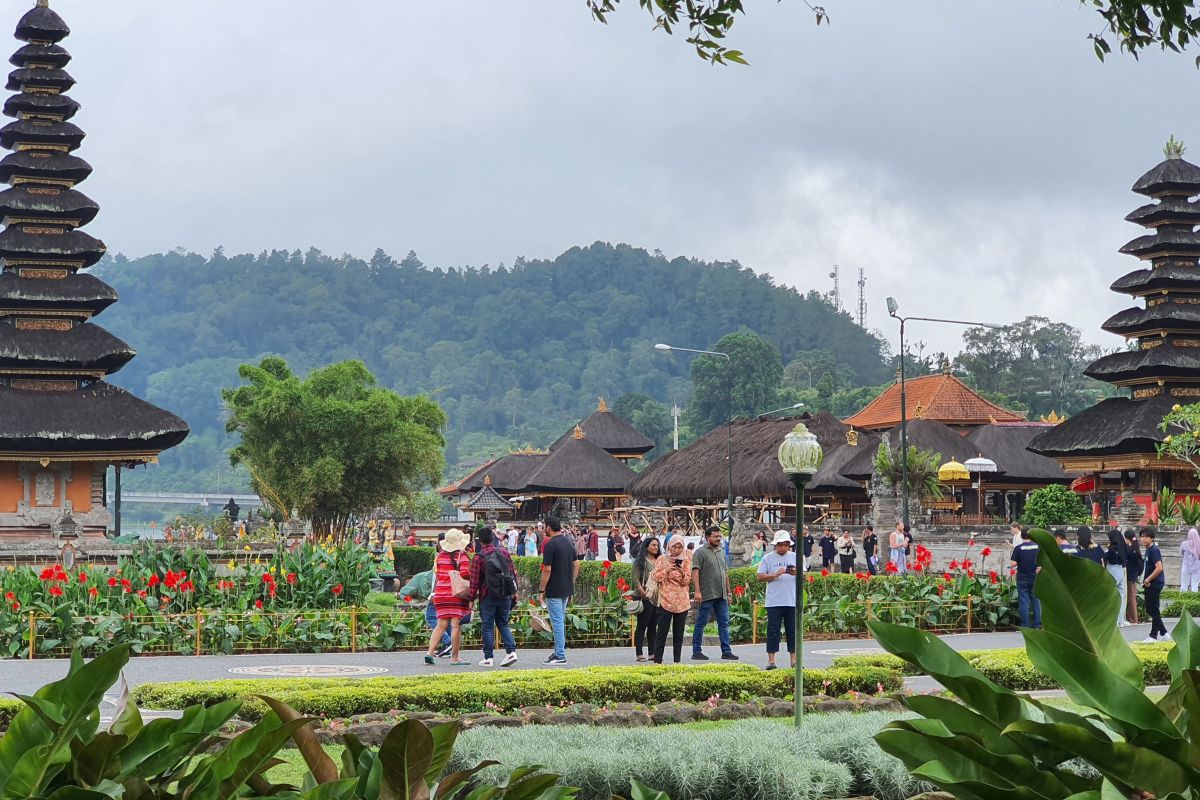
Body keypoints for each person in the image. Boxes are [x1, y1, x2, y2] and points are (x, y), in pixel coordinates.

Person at [469, 527, 519, 667]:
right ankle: (511, 652)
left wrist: (471, 599)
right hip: (505, 593)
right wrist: (515, 591)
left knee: (487, 626)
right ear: (493, 538)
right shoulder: (503, 552)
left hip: (487, 595)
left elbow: (474, 581)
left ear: (480, 541)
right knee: (503, 623)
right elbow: (512, 573)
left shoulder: (479, 557)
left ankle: (488, 657)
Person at [423, 528, 473, 666]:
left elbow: (438, 575)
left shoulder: (439, 557)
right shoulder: (461, 556)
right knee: (455, 625)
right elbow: (464, 573)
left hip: (440, 593)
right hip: (455, 594)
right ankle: (455, 657)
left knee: (441, 624)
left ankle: (429, 653)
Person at [691, 525, 738, 661]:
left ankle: (726, 650)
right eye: (715, 536)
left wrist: (729, 592)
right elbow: (695, 572)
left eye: (719, 536)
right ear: (707, 537)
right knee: (701, 622)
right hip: (706, 594)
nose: (718, 539)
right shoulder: (700, 553)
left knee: (724, 623)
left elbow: (725, 573)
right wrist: (697, 592)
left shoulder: (721, 552)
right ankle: (696, 651)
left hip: (721, 594)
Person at [538, 516, 577, 665]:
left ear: (548, 527)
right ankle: (558, 651)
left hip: (554, 588)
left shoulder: (550, 544)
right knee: (560, 620)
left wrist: (541, 590)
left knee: (557, 622)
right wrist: (571, 583)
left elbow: (547, 570)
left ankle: (560, 654)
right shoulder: (568, 542)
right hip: (566, 588)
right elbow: (577, 565)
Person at [756, 530, 798, 670]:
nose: (783, 548)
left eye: (786, 545)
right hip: (774, 601)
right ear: (776, 545)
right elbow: (760, 577)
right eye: (780, 545)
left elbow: (804, 576)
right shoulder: (768, 558)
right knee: (773, 631)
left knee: (792, 631)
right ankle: (771, 661)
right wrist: (774, 574)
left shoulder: (795, 556)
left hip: (791, 600)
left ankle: (794, 660)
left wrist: (796, 573)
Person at [652, 537, 692, 663]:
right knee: (662, 632)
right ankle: (658, 660)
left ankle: (677, 661)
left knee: (678, 634)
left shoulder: (686, 560)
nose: (676, 550)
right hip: (665, 599)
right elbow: (656, 577)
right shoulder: (662, 559)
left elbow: (686, 581)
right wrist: (667, 570)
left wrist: (682, 572)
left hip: (682, 602)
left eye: (679, 547)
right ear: (669, 546)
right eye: (674, 547)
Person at [632, 536, 662, 662]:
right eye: (653, 545)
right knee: (642, 625)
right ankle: (639, 653)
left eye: (657, 545)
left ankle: (652, 652)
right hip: (643, 595)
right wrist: (642, 591)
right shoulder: (640, 561)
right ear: (646, 547)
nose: (656, 548)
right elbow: (635, 578)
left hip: (656, 596)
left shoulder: (659, 561)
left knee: (653, 625)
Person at [1140, 528, 1169, 642]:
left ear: (1152, 538)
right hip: (1150, 583)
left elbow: (1159, 568)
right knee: (1152, 609)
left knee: (1153, 609)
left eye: (1146, 537)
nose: (1143, 539)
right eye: (1142, 536)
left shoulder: (1153, 550)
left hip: (1154, 583)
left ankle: (1153, 635)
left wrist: (1148, 579)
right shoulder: (1148, 550)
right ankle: (1163, 632)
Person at [1009, 527, 1041, 628]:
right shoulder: (1038, 547)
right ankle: (1036, 624)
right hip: (1035, 577)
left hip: (1022, 578)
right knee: (1036, 601)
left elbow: (1013, 563)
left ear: (1022, 536)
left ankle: (1025, 625)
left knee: (1024, 602)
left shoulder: (1018, 548)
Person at [1105, 530, 1129, 627]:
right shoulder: (1123, 547)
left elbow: (1105, 557)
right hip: (1120, 570)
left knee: (1110, 595)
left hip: (1112, 570)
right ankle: (1121, 620)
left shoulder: (1111, 548)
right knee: (1121, 596)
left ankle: (1113, 621)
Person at [1124, 529, 1143, 625]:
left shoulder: (1128, 548)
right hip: (1135, 575)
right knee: (1132, 596)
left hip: (1129, 575)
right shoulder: (1136, 547)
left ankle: (1133, 619)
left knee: (1130, 597)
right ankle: (1133, 617)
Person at [1180, 528, 1200, 592]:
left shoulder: (1184, 544)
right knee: (1195, 585)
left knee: (1184, 584)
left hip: (1186, 566)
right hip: (1197, 568)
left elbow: (1181, 553)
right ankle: (1193, 601)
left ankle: (1181, 600)